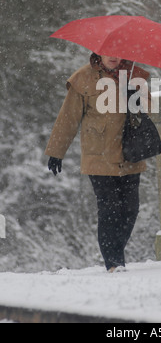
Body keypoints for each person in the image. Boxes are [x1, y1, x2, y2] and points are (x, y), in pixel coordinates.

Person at [45, 54, 150, 273]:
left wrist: (135, 95)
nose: (113, 55)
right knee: (109, 208)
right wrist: (57, 151)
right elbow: (68, 117)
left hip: (130, 154)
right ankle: (113, 263)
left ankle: (115, 253)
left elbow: (148, 112)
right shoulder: (82, 78)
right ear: (97, 50)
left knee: (130, 210)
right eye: (108, 50)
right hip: (98, 156)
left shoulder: (134, 75)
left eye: (119, 50)